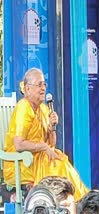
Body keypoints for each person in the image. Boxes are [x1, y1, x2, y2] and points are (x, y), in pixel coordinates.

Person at [3, 68, 88, 200]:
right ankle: (75, 202)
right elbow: (18, 145)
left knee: (62, 163)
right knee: (59, 167)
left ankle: (78, 202)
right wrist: (43, 147)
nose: (43, 88)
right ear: (28, 89)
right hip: (22, 164)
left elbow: (51, 144)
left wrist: (52, 128)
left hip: (40, 160)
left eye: (44, 84)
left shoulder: (43, 108)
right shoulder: (24, 107)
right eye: (39, 85)